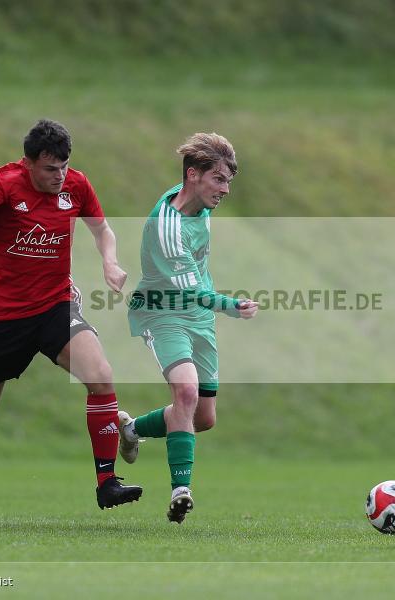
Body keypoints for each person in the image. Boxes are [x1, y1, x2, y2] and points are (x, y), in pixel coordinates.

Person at [0, 119, 142, 522]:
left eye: (64, 167)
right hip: (2, 315)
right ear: (29, 163)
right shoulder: (4, 182)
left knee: (101, 375)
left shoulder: (77, 185)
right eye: (50, 169)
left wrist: (110, 262)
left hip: (55, 306)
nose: (60, 176)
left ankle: (107, 482)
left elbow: (103, 230)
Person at [118, 132, 258, 523]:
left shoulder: (198, 202)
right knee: (186, 391)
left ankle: (131, 431)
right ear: (193, 175)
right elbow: (193, 291)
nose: (226, 189)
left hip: (198, 318)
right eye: (219, 179)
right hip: (163, 314)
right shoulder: (167, 227)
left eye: (228, 180)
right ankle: (181, 491)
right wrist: (232, 306)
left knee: (202, 418)